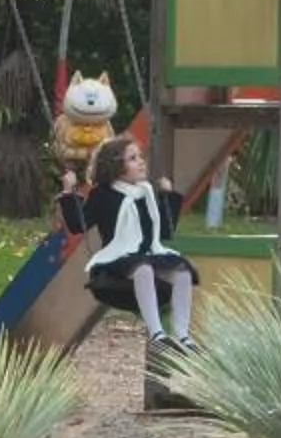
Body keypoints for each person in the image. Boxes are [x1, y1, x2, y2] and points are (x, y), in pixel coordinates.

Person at [60, 134, 198, 347]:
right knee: (143, 269)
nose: (141, 161)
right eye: (133, 158)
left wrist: (167, 195)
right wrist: (69, 193)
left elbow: (165, 232)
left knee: (182, 271)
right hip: (115, 262)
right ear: (116, 166)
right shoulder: (103, 195)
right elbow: (79, 225)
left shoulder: (146, 194)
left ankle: (182, 335)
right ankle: (157, 333)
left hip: (147, 256)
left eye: (140, 156)